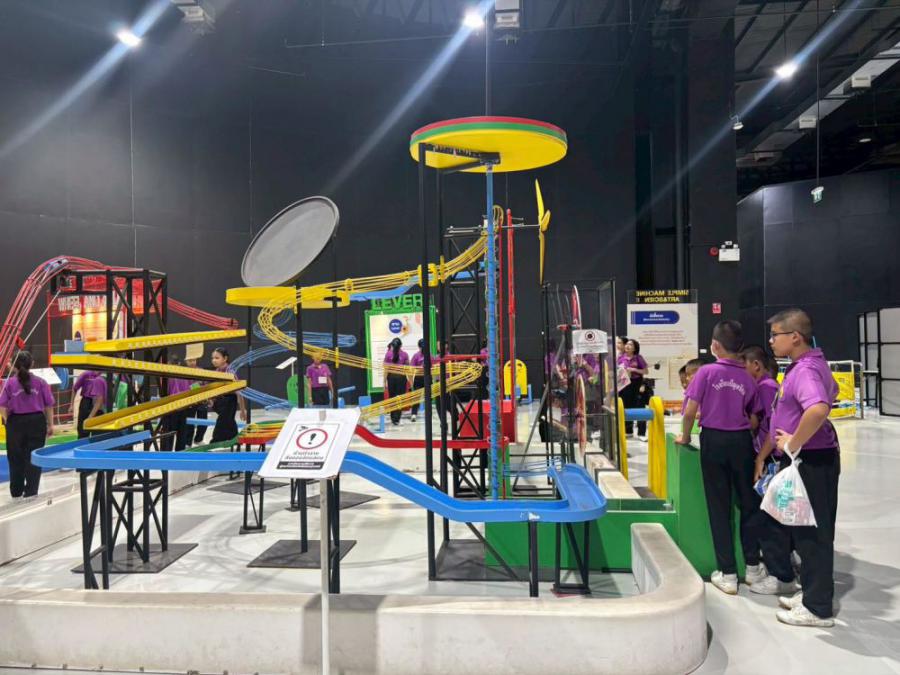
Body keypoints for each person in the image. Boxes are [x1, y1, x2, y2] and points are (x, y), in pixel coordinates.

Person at [753, 309, 839, 628]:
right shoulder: (811, 364)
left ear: (795, 337)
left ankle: (817, 608)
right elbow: (833, 392)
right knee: (805, 531)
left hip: (811, 459)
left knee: (813, 534)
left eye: (775, 335)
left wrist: (793, 442)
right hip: (813, 458)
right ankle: (812, 593)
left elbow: (818, 407)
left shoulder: (805, 370)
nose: (771, 341)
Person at [676, 320, 765, 595]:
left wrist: (686, 436)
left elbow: (690, 411)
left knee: (719, 507)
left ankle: (728, 574)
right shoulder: (747, 377)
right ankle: (753, 567)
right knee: (748, 503)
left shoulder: (706, 372)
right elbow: (754, 417)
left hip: (713, 441)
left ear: (715, 346)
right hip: (741, 443)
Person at [0, 351, 54, 498]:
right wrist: (51, 425)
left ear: (14, 365)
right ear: (32, 364)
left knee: (15, 457)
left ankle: (16, 490)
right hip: (37, 422)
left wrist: (7, 420)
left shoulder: (9, 383)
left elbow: (2, 405)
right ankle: (31, 490)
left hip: (15, 422)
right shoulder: (41, 382)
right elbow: (48, 405)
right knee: (34, 456)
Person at [209, 347, 246, 443]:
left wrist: (242, 410)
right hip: (220, 401)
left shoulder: (230, 372)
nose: (214, 360)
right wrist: (211, 400)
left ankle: (216, 439)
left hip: (229, 401)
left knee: (223, 420)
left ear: (225, 358)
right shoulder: (217, 371)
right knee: (229, 421)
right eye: (213, 358)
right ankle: (234, 437)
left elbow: (239, 391)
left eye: (217, 358)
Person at [619, 338, 649, 440]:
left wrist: (634, 369)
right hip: (624, 385)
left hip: (637, 384)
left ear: (635, 348)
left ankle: (641, 433)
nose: (627, 346)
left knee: (640, 407)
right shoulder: (620, 358)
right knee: (626, 407)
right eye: (627, 344)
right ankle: (628, 431)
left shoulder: (638, 358)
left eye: (631, 345)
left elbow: (645, 371)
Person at [161, 357, 192, 451]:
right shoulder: (185, 375)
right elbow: (192, 388)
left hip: (172, 408)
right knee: (182, 434)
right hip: (184, 407)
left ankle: (167, 454)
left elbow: (166, 392)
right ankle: (180, 454)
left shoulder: (168, 377)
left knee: (169, 434)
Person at [382, 338, 409, 426]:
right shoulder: (405, 354)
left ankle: (393, 417)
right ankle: (397, 418)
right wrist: (410, 381)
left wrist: (384, 382)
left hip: (391, 378)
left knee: (392, 398)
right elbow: (408, 369)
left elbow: (386, 369)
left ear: (392, 345)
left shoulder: (388, 354)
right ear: (401, 345)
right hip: (401, 378)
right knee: (400, 398)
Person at [72, 369, 106, 438]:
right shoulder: (86, 375)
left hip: (98, 404)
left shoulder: (100, 379)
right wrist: (71, 404)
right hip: (87, 402)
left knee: (97, 431)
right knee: (83, 429)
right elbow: (75, 388)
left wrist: (90, 416)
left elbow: (99, 400)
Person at [185, 355, 207, 446]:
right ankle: (188, 442)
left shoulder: (201, 371)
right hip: (190, 401)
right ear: (186, 361)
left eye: (193, 360)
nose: (192, 362)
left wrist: (208, 398)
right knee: (189, 423)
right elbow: (185, 387)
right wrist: (196, 386)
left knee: (203, 421)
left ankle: (198, 439)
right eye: (189, 360)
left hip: (202, 400)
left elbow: (205, 385)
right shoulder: (183, 372)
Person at [409, 339, 429, 423]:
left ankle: (428, 414)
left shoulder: (429, 355)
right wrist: (411, 383)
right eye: (421, 347)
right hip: (418, 379)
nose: (422, 348)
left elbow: (434, 367)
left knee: (428, 397)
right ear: (419, 347)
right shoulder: (416, 356)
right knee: (416, 397)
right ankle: (414, 414)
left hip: (427, 378)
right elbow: (411, 369)